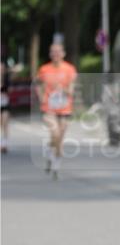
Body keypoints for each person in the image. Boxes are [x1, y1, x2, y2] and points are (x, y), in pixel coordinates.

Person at [34, 42, 77, 179]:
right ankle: (54, 162)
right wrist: (41, 97)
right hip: (49, 108)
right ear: (50, 54)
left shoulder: (69, 69)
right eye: (53, 52)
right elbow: (37, 84)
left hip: (65, 108)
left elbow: (71, 90)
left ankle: (53, 158)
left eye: (58, 52)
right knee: (55, 132)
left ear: (63, 53)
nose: (56, 54)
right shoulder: (44, 69)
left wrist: (62, 89)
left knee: (59, 138)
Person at [1, 57, 11, 154]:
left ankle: (5, 144)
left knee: (5, 123)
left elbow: (9, 91)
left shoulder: (7, 79)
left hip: (4, 104)